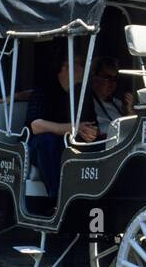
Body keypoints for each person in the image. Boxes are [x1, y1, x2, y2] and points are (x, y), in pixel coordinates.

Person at [26, 54, 97, 203]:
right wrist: (73, 128)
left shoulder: (83, 94)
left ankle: (91, 193)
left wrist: (90, 132)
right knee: (47, 140)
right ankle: (57, 197)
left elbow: (91, 123)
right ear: (65, 66)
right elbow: (36, 125)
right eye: (80, 64)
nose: (85, 69)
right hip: (37, 146)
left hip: (68, 144)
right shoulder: (45, 88)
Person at [89, 56, 134, 136]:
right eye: (107, 78)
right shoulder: (86, 103)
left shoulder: (117, 103)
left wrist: (129, 111)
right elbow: (92, 131)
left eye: (114, 79)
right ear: (94, 78)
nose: (111, 84)